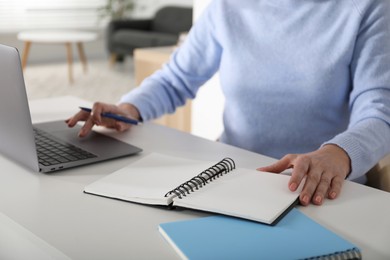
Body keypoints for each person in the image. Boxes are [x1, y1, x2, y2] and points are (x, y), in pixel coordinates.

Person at [67, 0, 390, 206]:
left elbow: (380, 107)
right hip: (234, 174)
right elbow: (175, 79)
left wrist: (338, 154)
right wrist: (128, 110)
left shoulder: (368, 7)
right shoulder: (227, 7)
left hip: (318, 187)